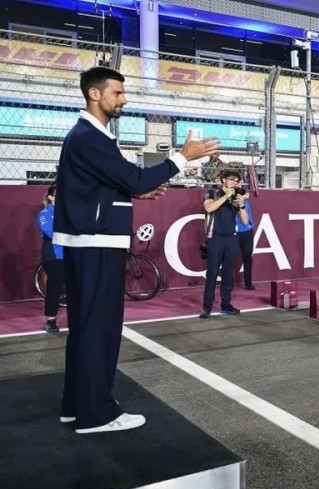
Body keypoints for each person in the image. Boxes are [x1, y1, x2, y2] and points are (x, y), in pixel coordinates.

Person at [54, 66, 218, 433]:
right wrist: (181, 157)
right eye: (117, 93)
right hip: (97, 244)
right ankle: (96, 415)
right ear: (94, 94)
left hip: (89, 243)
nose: (123, 99)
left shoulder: (88, 137)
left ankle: (76, 406)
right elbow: (132, 176)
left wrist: (134, 190)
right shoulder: (89, 137)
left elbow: (107, 185)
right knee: (100, 330)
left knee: (85, 329)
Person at [200, 169, 249, 318]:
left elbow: (245, 220)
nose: (234, 182)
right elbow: (209, 207)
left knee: (228, 274)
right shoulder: (212, 193)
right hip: (215, 238)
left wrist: (240, 205)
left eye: (236, 180)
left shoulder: (235, 197)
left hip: (231, 238)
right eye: (231, 179)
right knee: (212, 274)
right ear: (223, 180)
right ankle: (207, 307)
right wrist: (226, 196)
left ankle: (226, 304)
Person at [37, 184, 64, 333]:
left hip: (69, 254)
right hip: (53, 255)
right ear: (50, 197)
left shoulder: (66, 212)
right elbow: (50, 232)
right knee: (55, 286)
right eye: (57, 194)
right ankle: (50, 321)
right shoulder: (44, 214)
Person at [236, 181, 256, 291]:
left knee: (248, 257)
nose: (238, 184)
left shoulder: (245, 196)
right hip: (235, 232)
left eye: (240, 182)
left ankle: (248, 283)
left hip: (247, 231)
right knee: (230, 258)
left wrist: (242, 198)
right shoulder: (230, 198)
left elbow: (247, 194)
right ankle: (228, 283)